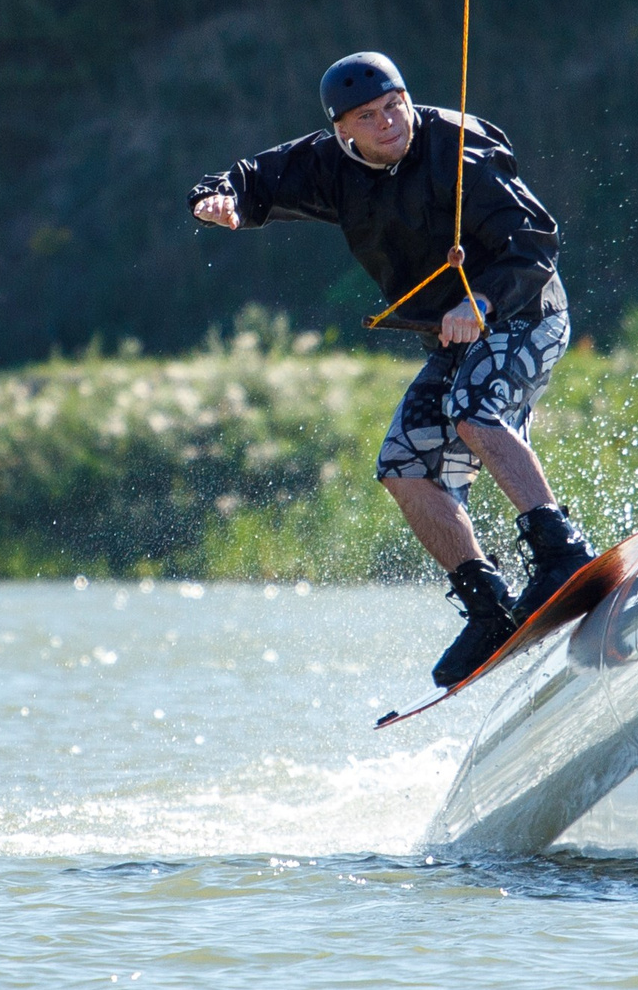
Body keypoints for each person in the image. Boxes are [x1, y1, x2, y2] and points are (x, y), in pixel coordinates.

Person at [189, 51, 593, 687]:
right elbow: (249, 179)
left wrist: (480, 298)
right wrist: (219, 202)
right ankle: (486, 605)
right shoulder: (327, 165)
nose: (389, 123)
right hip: (454, 340)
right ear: (343, 131)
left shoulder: (457, 146)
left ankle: (560, 551)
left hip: (525, 308)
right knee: (402, 465)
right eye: (369, 117)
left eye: (395, 105)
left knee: (473, 412)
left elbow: (535, 238)